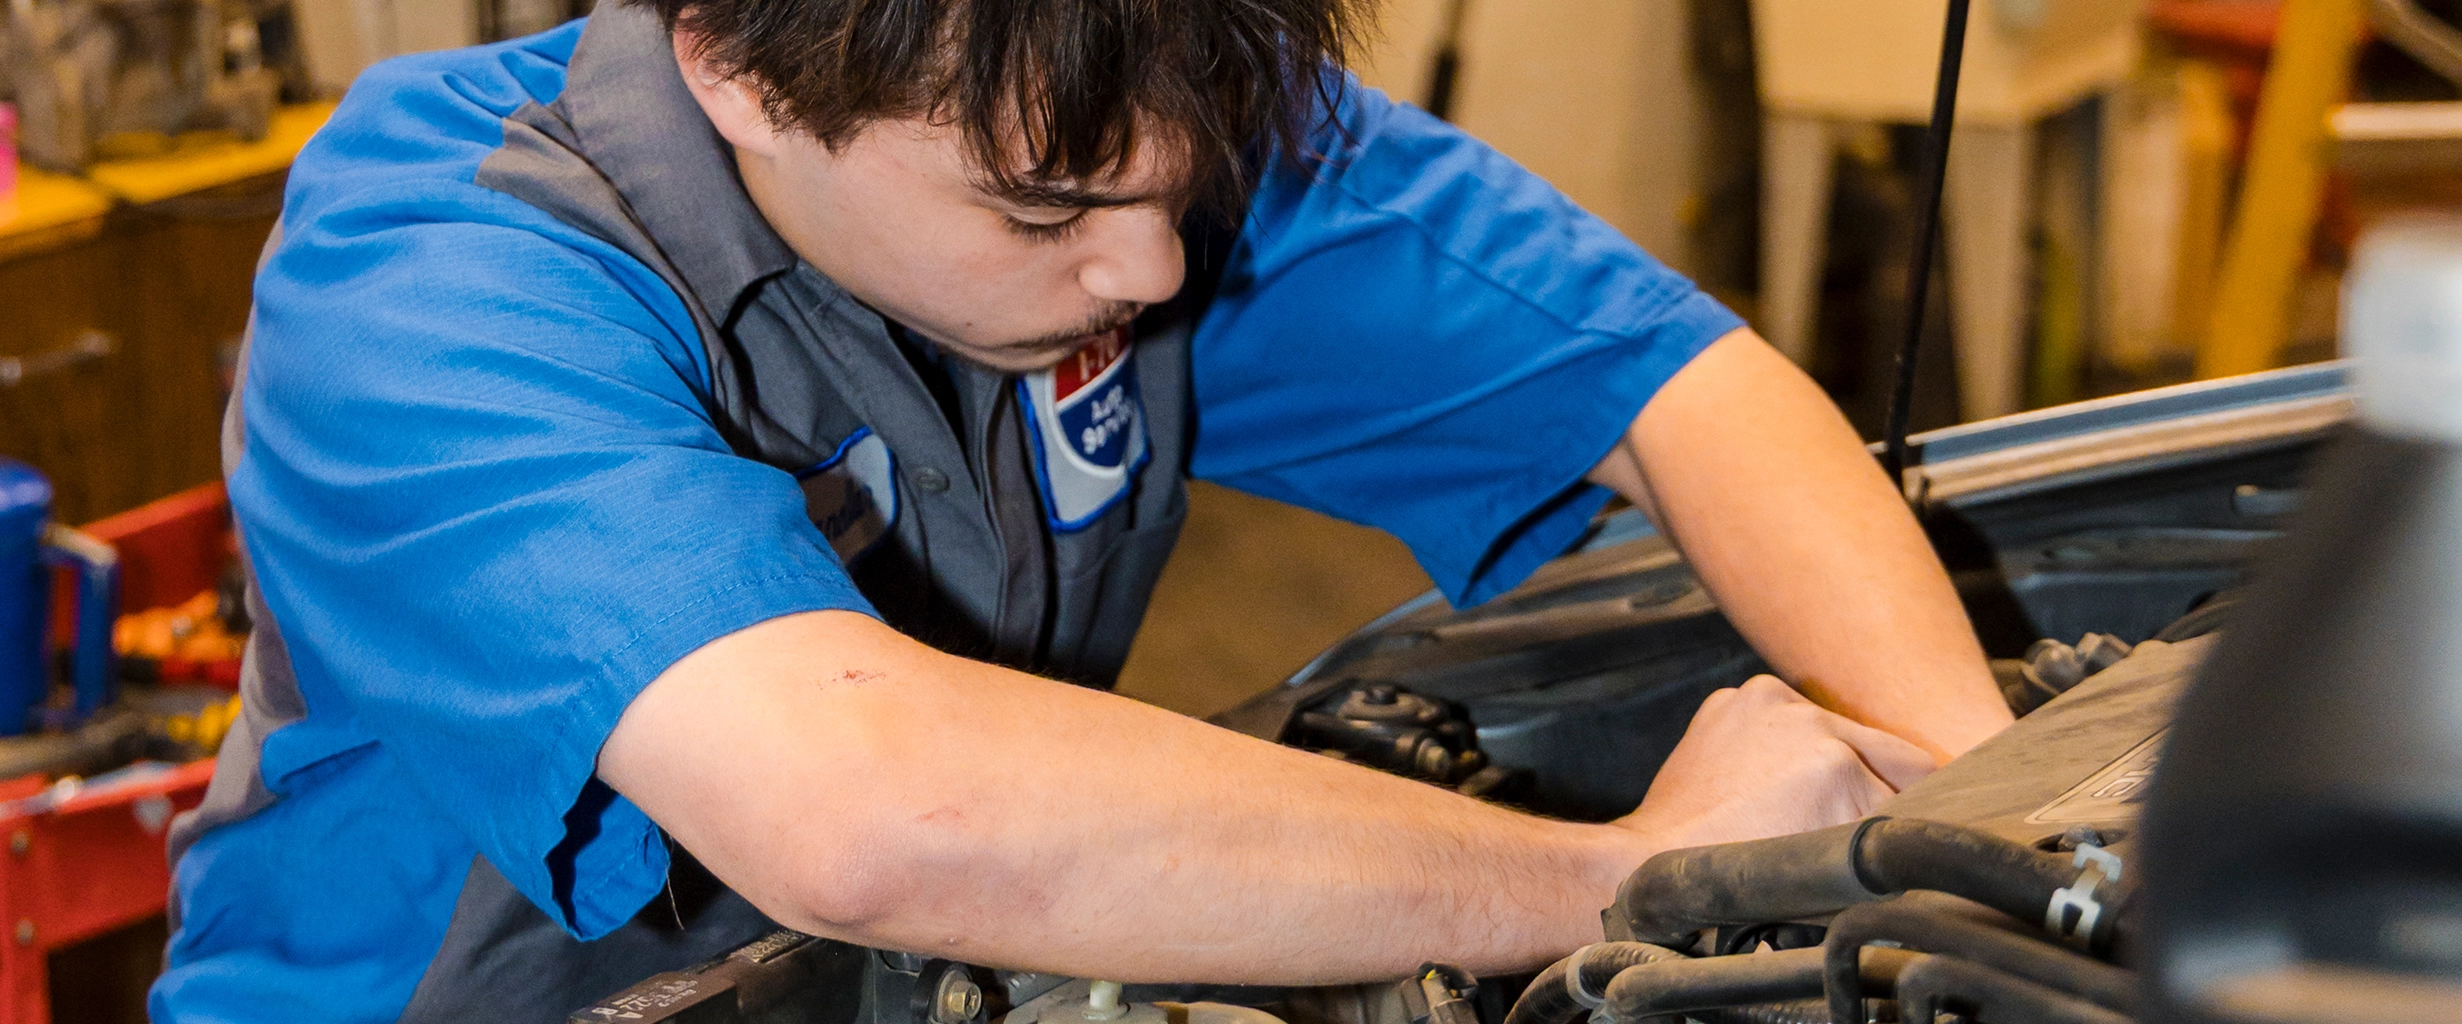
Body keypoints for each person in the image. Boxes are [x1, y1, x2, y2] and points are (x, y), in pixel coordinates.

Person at [148, 0, 2017, 1020]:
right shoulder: (432, 271)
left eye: (1181, 189)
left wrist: (1974, 803)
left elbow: (1676, 381)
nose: (1151, 263)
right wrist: (1629, 874)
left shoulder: (1126, 95)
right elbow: (871, 815)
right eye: (1045, 213)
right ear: (731, 64)